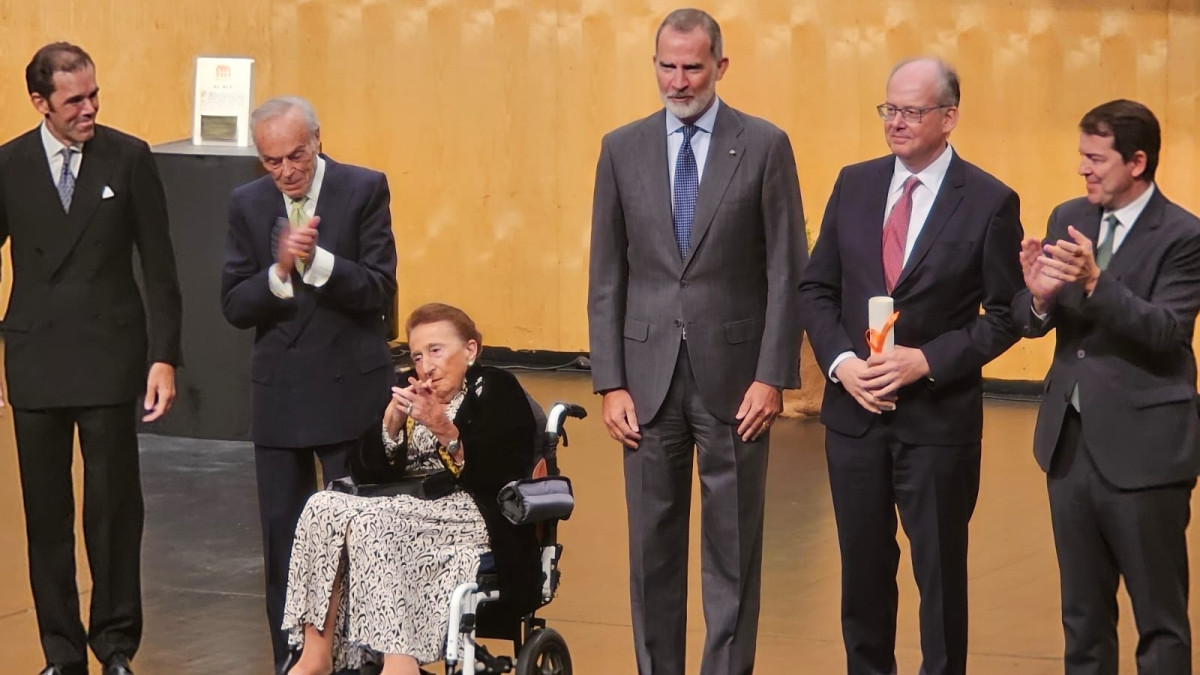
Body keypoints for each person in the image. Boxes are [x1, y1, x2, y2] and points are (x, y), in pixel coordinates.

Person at [587, 8, 807, 675]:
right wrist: (610, 380)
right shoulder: (621, 147)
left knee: (732, 551)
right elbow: (607, 271)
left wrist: (773, 374)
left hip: (738, 382)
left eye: (692, 67)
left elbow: (787, 270)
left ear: (720, 66)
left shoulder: (765, 145)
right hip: (644, 380)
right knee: (651, 552)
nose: (678, 81)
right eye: (667, 66)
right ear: (654, 65)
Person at [797, 57, 1023, 675]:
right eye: (889, 109)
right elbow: (816, 290)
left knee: (940, 578)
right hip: (855, 419)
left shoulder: (988, 201)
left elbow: (1004, 315)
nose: (896, 122)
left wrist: (927, 360)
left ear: (949, 118)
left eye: (912, 111)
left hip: (937, 424)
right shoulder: (856, 183)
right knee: (863, 578)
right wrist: (842, 363)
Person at [0, 42, 183, 675]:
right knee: (45, 514)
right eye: (74, 99)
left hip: (109, 358)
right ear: (39, 102)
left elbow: (160, 267)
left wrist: (165, 358)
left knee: (112, 511)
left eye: (94, 94)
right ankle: (60, 653)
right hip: (35, 359)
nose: (89, 108)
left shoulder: (128, 157)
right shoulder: (9, 165)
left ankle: (115, 646)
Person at [1012, 99, 1200, 674]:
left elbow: (1167, 330)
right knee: (1083, 618)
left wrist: (1097, 282)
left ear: (1137, 162)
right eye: (1081, 157)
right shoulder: (1071, 215)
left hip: (1146, 451)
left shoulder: (1184, 235)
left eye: (1096, 159)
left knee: (1159, 621)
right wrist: (1038, 296)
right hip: (1069, 446)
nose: (1083, 170)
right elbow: (1032, 319)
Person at [220, 96, 397, 673]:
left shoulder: (364, 188)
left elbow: (378, 290)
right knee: (284, 541)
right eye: (272, 162)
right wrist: (276, 273)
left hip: (350, 390)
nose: (286, 172)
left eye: (296, 156)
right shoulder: (247, 204)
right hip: (280, 396)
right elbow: (232, 304)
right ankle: (293, 660)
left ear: (318, 140)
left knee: (355, 532)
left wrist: (316, 262)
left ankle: (360, 657)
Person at [280, 302, 540, 675]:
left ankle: (398, 663)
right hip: (406, 505)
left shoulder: (495, 388)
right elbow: (364, 472)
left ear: (470, 349)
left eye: (436, 350)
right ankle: (315, 657)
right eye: (417, 356)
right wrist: (389, 426)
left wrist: (443, 427)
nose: (425, 366)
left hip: (470, 511)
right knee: (321, 504)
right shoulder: (407, 388)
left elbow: (501, 471)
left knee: (373, 521)